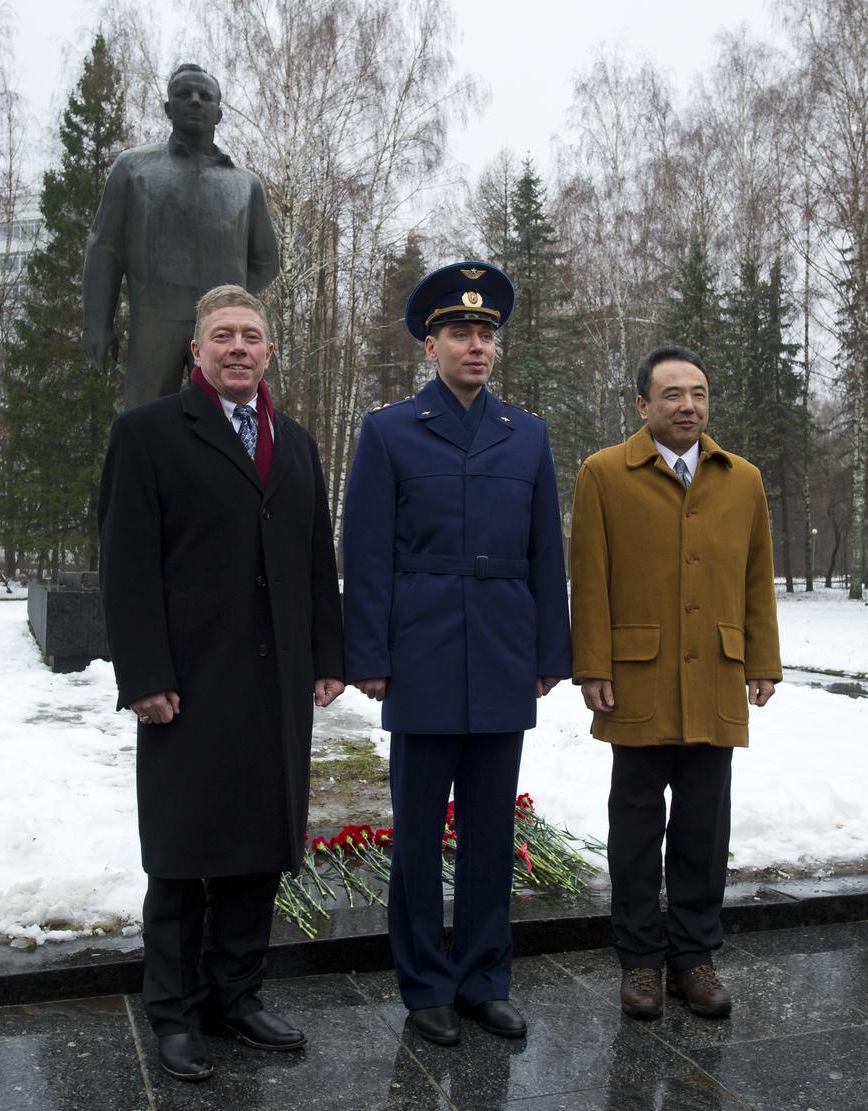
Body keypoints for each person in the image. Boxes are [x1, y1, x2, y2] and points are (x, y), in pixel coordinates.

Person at [97, 285, 344, 1082]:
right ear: (197, 351)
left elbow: (315, 558)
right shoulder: (148, 435)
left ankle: (235, 994)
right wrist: (145, 675)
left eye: (252, 336)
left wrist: (328, 653)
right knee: (182, 855)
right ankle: (173, 1012)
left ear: (269, 352)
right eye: (223, 336)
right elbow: (126, 567)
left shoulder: (295, 442)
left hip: (275, 688)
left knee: (257, 850)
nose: (239, 347)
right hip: (189, 686)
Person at [342, 261, 571, 1047]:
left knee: (489, 831)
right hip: (425, 652)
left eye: (486, 334)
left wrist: (551, 650)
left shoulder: (527, 434)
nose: (476, 345)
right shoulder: (389, 430)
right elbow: (366, 553)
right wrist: (368, 652)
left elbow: (547, 552)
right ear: (430, 345)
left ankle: (483, 978)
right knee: (416, 833)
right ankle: (426, 984)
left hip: (504, 652)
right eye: (460, 333)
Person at [568, 344, 781, 1021]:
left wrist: (762, 660)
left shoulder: (742, 478)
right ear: (642, 404)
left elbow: (756, 577)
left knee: (702, 826)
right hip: (637, 678)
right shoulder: (604, 474)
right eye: (672, 394)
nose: (687, 405)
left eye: (698, 393)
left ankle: (693, 956)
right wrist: (592, 664)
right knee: (634, 826)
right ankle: (639, 963)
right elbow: (590, 578)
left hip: (715, 675)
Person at [82, 64, 280, 409]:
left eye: (205, 96)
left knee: (228, 421)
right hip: (153, 322)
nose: (195, 101)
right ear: (167, 108)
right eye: (184, 94)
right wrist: (97, 325)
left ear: (219, 112)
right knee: (145, 424)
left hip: (221, 328)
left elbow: (266, 261)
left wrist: (226, 298)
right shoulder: (133, 169)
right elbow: (105, 250)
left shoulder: (244, 184)